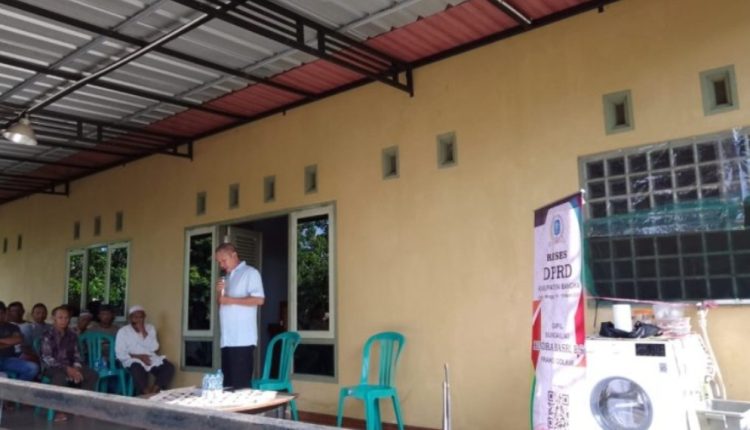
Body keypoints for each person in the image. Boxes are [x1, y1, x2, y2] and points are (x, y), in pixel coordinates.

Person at [214, 243, 265, 389]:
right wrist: (220, 294)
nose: (221, 265)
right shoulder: (227, 277)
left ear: (234, 255)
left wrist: (229, 300)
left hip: (242, 339)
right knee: (227, 387)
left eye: (224, 260)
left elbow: (259, 300)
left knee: (240, 388)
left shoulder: (250, 273)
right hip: (227, 339)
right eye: (219, 262)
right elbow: (222, 304)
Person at [40, 305, 98, 422]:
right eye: (60, 317)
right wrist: (67, 369)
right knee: (60, 377)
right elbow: (47, 358)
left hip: (71, 366)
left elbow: (76, 354)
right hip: (53, 367)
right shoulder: (48, 334)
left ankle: (80, 406)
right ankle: (58, 410)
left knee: (92, 375)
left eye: (66, 318)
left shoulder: (72, 334)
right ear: (54, 319)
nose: (64, 320)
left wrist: (76, 367)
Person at [115, 305, 174, 395]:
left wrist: (143, 331)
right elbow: (120, 353)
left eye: (141, 317)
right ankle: (146, 394)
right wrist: (140, 357)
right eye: (135, 317)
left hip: (149, 358)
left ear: (144, 317)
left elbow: (154, 347)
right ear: (130, 318)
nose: (138, 320)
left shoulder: (150, 328)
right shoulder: (123, 331)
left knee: (168, 367)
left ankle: (153, 392)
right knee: (137, 368)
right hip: (132, 359)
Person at [0, 301, 39, 381]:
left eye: (1, 313)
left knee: (33, 368)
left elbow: (18, 339)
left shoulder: (12, 327)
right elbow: (14, 341)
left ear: (4, 313)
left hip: (8, 359)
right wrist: (9, 342)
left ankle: (15, 386)